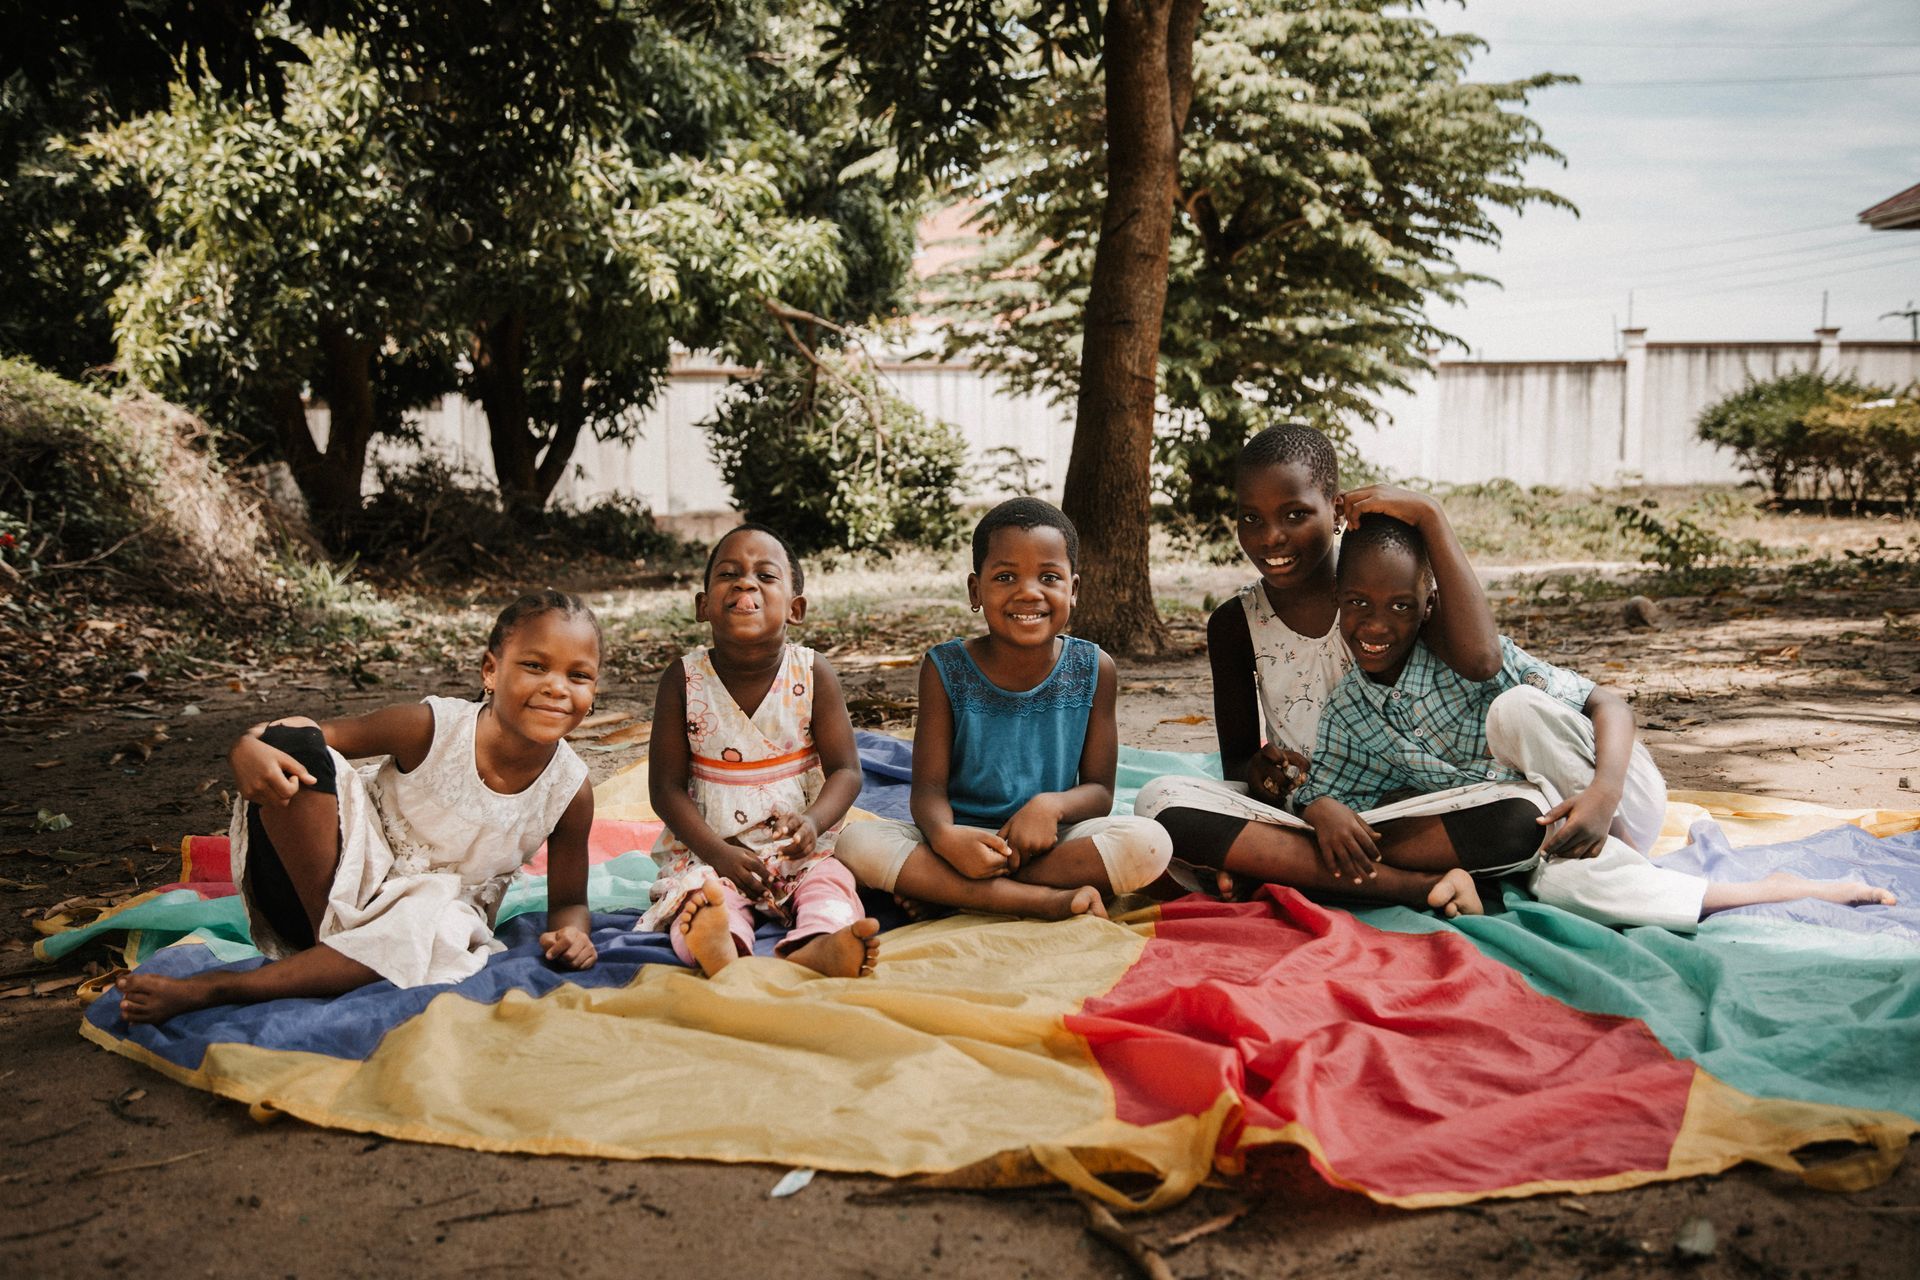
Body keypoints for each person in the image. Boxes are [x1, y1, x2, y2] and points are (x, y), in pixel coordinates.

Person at [1294, 515, 1897, 927]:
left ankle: (1624, 848)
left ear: (1428, 606)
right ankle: (1764, 891)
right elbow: (1328, 793)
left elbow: (1608, 703)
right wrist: (1318, 806)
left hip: (1617, 795)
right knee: (1553, 888)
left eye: (1401, 606)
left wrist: (1605, 795)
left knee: (1517, 711)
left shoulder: (1468, 656)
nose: (1376, 624)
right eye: (1358, 604)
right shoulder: (1350, 710)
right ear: (1337, 603)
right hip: (1557, 837)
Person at [117, 590, 606, 1024]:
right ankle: (328, 951)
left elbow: (567, 902)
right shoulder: (431, 727)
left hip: (432, 924)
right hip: (325, 885)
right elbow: (306, 736)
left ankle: (219, 988)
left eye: (578, 675)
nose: (557, 687)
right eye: (535, 666)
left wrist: (571, 935)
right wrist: (246, 745)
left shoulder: (569, 790)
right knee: (294, 749)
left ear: (593, 690)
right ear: (490, 671)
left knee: (430, 919)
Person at [1135, 424, 1520, 915]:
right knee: (1161, 804)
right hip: (1303, 813)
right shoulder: (1235, 623)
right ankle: (1413, 887)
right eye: (1250, 518)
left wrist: (1430, 515)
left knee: (1518, 817)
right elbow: (1236, 763)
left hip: (1408, 809)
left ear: (1336, 511)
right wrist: (1264, 772)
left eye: (1295, 514)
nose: (1271, 536)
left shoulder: (1387, 595)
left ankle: (1282, 870)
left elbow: (1484, 661)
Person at [833, 498, 1172, 919]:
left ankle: (953, 893)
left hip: (1053, 843)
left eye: (1049, 577)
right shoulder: (945, 668)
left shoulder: (1094, 668)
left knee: (1150, 843)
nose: (1028, 592)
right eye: (1006, 576)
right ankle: (1044, 901)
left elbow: (1100, 792)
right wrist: (944, 838)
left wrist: (1049, 806)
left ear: (1074, 589)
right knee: (854, 844)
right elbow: (928, 790)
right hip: (960, 842)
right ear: (976, 591)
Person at [642, 524, 880, 978]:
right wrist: (717, 854)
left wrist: (812, 822)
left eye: (765, 576)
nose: (745, 583)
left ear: (796, 609)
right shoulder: (683, 680)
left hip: (799, 850)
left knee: (831, 884)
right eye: (729, 573)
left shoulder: (813, 674)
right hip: (711, 849)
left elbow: (847, 771)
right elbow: (665, 789)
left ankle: (819, 943)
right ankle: (719, 941)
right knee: (701, 895)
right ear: (703, 605)